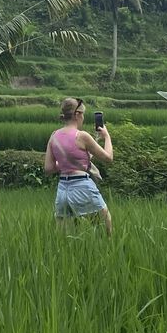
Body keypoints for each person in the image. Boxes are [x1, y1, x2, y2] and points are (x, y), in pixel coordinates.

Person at [44, 97, 114, 234]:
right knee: (105, 222)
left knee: (62, 236)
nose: (83, 117)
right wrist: (107, 137)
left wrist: (65, 163)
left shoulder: (54, 136)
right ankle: (108, 249)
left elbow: (48, 168)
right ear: (77, 115)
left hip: (62, 189)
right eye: (82, 113)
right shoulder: (82, 136)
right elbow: (108, 157)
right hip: (81, 185)